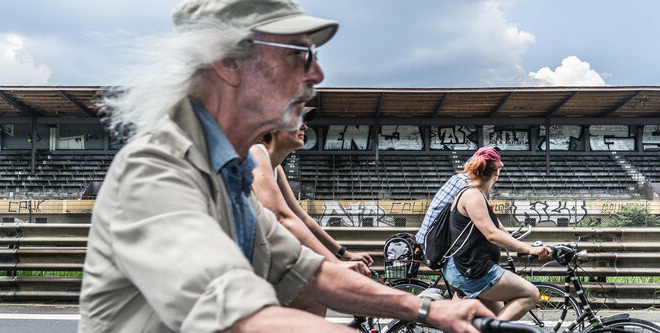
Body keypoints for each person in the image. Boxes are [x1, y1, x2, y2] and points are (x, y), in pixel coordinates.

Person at [79, 1, 495, 332]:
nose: (317, 72)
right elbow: (233, 311)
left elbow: (304, 271)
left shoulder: (228, 173)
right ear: (228, 62)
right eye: (301, 54)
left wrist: (429, 310)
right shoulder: (156, 172)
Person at [249, 108, 373, 273]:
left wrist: (344, 254)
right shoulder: (256, 153)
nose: (305, 127)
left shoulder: (276, 168)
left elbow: (302, 218)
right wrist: (335, 264)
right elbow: (280, 216)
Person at [441, 147, 552, 321]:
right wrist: (530, 250)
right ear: (497, 172)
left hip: (466, 267)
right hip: (473, 271)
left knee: (493, 316)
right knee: (530, 294)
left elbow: (499, 229)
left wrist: (523, 246)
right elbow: (492, 234)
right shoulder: (473, 196)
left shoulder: (476, 195)